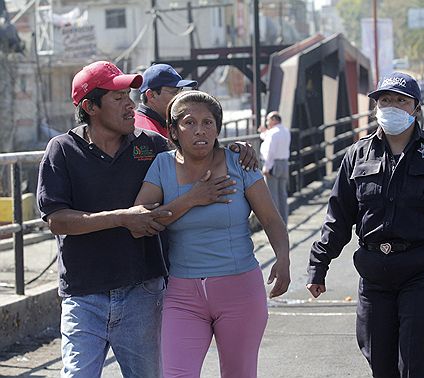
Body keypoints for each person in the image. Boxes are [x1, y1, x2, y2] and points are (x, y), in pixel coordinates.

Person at [36, 61, 257, 378]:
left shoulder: (150, 145)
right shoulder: (62, 150)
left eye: (129, 95)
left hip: (143, 292)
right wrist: (123, 218)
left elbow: (196, 155)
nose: (130, 104)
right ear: (89, 106)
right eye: (118, 98)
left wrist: (235, 151)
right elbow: (57, 220)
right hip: (84, 295)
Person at [307, 71, 424, 378]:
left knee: (416, 366)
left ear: (416, 108)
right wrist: (319, 264)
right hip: (375, 273)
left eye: (401, 101)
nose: (393, 107)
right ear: (375, 107)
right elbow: (338, 216)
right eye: (386, 100)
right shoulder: (357, 155)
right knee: (381, 365)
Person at [134, 90, 290, 378]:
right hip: (182, 295)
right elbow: (140, 219)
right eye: (189, 123)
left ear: (218, 128)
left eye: (208, 123)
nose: (200, 130)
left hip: (240, 290)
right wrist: (192, 198)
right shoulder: (162, 165)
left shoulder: (239, 163)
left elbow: (271, 218)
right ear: (174, 130)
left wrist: (283, 258)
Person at [135, 63, 198, 138]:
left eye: (180, 91)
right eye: (174, 92)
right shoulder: (143, 131)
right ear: (151, 95)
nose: (180, 97)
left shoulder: (165, 123)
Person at [258, 111, 291, 225]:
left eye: (268, 120)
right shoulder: (285, 131)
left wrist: (266, 167)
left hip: (273, 164)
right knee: (283, 194)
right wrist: (264, 133)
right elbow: (269, 137)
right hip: (284, 163)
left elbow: (270, 152)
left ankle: (276, 224)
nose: (267, 122)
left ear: (274, 120)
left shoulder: (272, 133)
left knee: (273, 196)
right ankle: (284, 222)